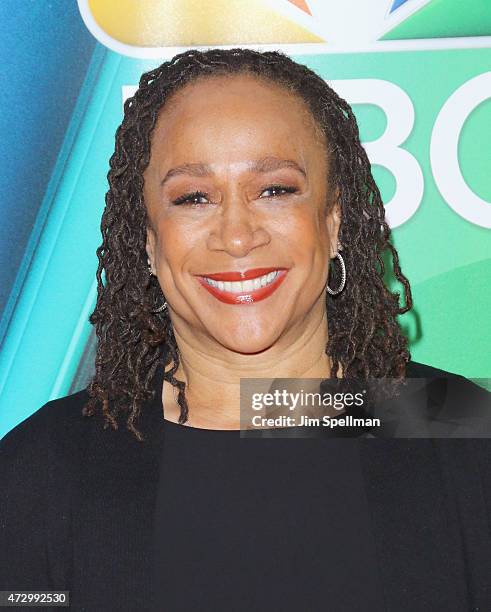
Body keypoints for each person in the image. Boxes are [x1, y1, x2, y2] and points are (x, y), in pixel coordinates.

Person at [1, 47, 490, 611]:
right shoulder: (46, 469)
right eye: (193, 198)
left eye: (275, 189)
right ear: (151, 245)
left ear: (333, 224)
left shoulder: (463, 434)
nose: (237, 235)